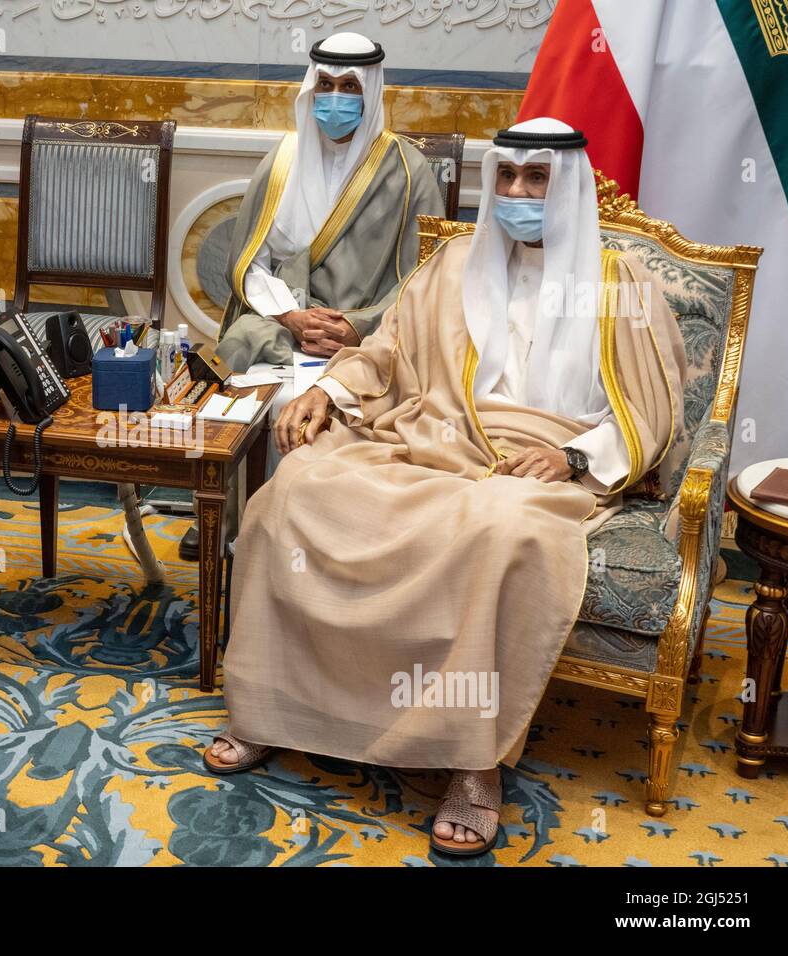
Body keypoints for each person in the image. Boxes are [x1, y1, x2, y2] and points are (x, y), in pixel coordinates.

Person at [204, 118, 686, 856]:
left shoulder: (622, 286)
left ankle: (471, 761)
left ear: (569, 187)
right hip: (432, 437)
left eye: (538, 180)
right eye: (508, 178)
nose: (519, 194)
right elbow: (387, 352)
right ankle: (275, 711)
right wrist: (329, 392)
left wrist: (576, 459)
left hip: (535, 462)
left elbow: (651, 408)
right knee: (293, 493)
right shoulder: (456, 264)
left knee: (502, 536)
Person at [179, 31, 444, 561]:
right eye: (326, 84)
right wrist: (292, 316)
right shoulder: (284, 161)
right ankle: (225, 515)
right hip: (287, 322)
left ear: (371, 92)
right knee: (237, 354)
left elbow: (430, 276)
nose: (337, 98)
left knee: (367, 385)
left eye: (350, 86)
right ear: (311, 89)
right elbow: (250, 260)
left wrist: (358, 326)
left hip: (369, 335)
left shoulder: (409, 171)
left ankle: (312, 537)